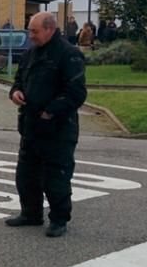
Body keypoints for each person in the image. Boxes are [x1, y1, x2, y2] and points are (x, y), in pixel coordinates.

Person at [5, 12, 87, 238]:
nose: (31, 36)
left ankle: (59, 219)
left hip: (58, 129)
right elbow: (19, 80)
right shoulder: (30, 53)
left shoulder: (69, 54)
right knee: (26, 175)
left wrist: (51, 111)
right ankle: (31, 213)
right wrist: (16, 92)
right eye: (30, 31)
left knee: (56, 176)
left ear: (50, 29)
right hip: (31, 126)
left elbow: (76, 93)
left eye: (35, 31)